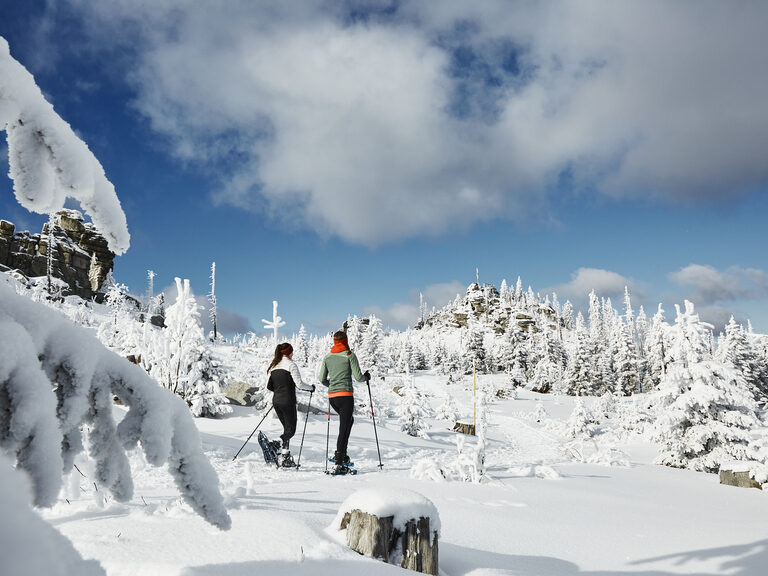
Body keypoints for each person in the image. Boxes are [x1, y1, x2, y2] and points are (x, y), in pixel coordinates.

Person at [318, 330, 369, 474]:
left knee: (348, 422)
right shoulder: (349, 355)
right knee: (344, 427)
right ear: (346, 340)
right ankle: (339, 462)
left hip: (333, 397)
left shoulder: (327, 357)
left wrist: (332, 386)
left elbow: (321, 379)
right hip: (346, 396)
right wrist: (367, 377)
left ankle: (342, 454)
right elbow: (359, 378)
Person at [266, 342, 315, 467]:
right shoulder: (291, 365)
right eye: (292, 351)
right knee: (291, 430)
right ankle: (275, 443)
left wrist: (279, 391)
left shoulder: (274, 366)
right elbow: (299, 384)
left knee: (286, 429)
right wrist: (311, 388)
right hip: (288, 401)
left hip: (276, 401)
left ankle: (285, 457)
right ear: (289, 352)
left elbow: (269, 386)